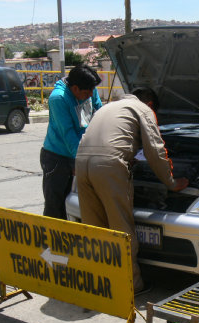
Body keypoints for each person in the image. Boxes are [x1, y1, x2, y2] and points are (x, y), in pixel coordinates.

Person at [75, 87, 189, 294]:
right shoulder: (143, 110)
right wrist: (171, 182)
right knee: (121, 229)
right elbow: (155, 150)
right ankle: (130, 286)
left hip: (81, 164)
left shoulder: (108, 108)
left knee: (93, 229)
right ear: (151, 105)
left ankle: (98, 284)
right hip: (108, 167)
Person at [40, 64, 102, 219]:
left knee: (78, 204)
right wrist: (80, 162)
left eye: (92, 92)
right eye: (87, 93)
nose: (90, 96)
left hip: (81, 153)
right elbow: (68, 135)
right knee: (55, 205)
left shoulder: (90, 90)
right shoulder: (59, 98)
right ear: (75, 89)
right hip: (58, 157)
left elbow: (100, 113)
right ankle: (51, 241)